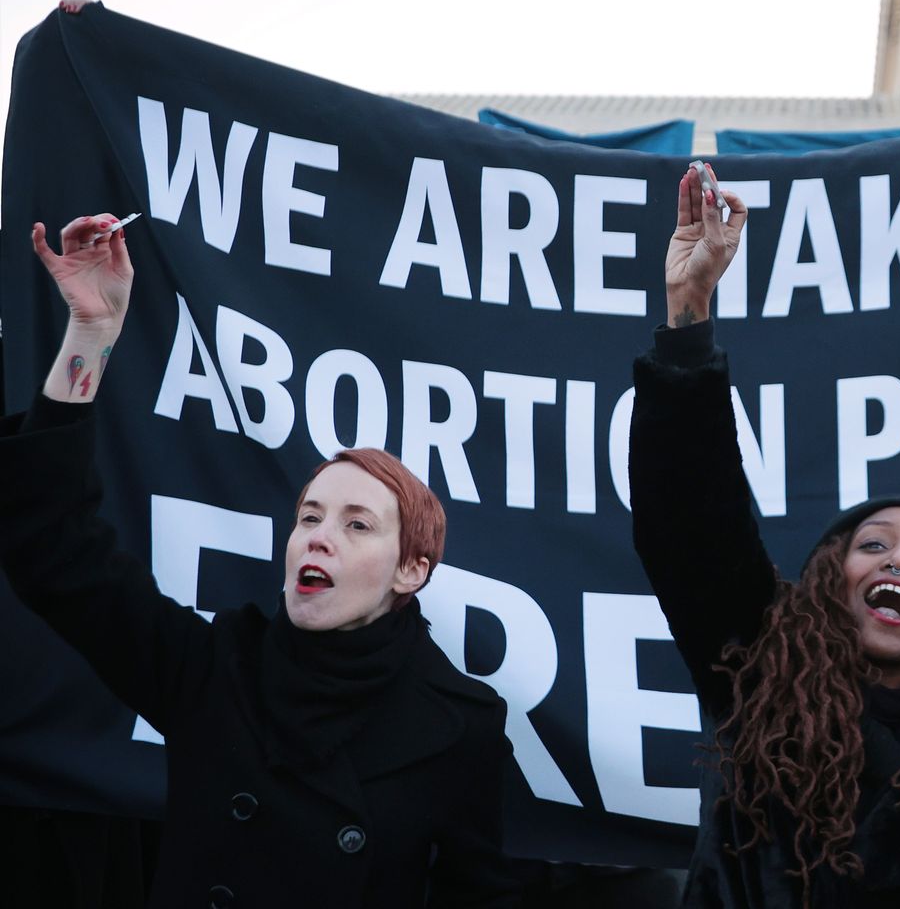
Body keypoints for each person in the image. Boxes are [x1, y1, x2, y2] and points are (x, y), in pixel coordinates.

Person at [0, 215, 519, 907]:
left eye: (357, 524)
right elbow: (52, 546)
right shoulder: (213, 669)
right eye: (309, 516)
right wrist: (91, 334)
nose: (318, 536)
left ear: (410, 570)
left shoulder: (462, 729)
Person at [626, 166, 900, 908]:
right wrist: (689, 310)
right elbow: (690, 519)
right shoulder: (760, 666)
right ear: (830, 577)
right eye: (875, 544)